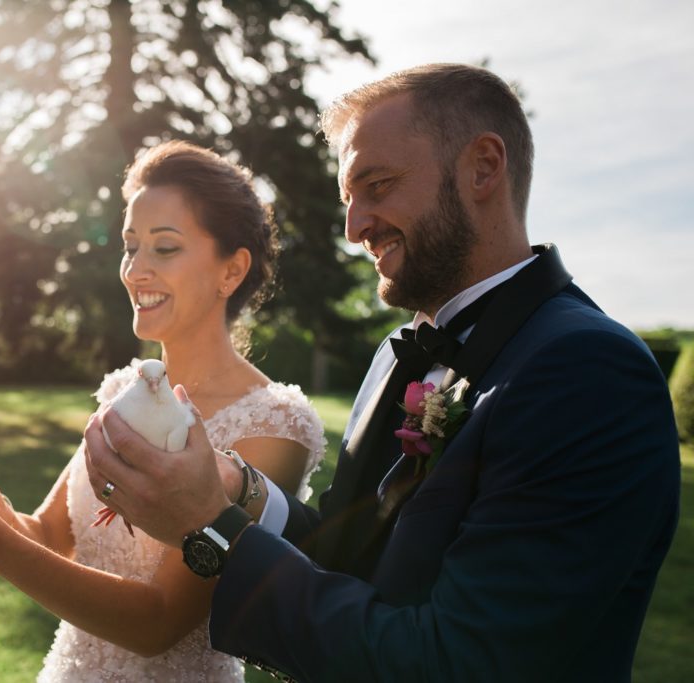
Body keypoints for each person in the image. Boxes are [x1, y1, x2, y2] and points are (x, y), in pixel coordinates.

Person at [84, 64, 681, 682]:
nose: (354, 228)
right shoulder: (400, 353)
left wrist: (205, 526)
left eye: (378, 185)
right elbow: (352, 553)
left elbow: (457, 663)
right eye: (349, 200)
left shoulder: (588, 373)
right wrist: (235, 489)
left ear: (483, 167)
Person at [0, 140, 326, 681]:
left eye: (165, 248)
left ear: (232, 270)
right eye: (131, 246)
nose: (135, 270)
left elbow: (157, 624)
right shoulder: (120, 392)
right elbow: (43, 537)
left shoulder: (273, 426)